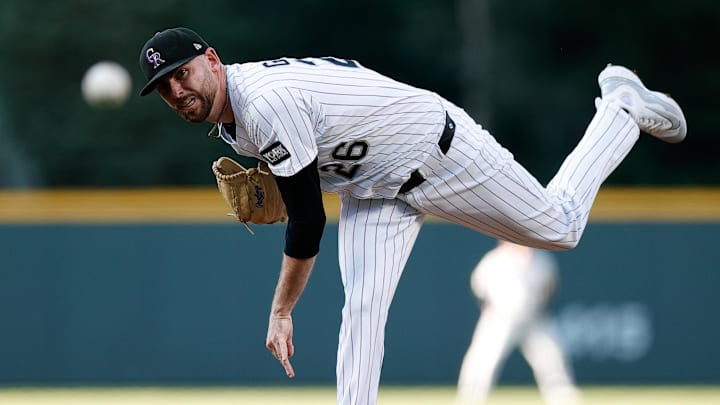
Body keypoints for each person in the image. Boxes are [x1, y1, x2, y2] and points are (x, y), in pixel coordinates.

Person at [137, 27, 686, 405]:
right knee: (362, 312)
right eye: (165, 88)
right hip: (373, 188)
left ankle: (616, 106)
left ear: (211, 58)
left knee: (560, 227)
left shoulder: (262, 102)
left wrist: (281, 310)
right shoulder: (234, 118)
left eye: (183, 74)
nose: (177, 90)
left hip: (436, 150)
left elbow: (307, 222)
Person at [457, 240, 581, 405]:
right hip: (500, 319)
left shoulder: (542, 260)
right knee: (482, 362)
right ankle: (470, 399)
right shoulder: (494, 260)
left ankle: (563, 399)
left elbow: (549, 289)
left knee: (551, 360)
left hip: (534, 319)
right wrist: (486, 306)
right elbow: (479, 288)